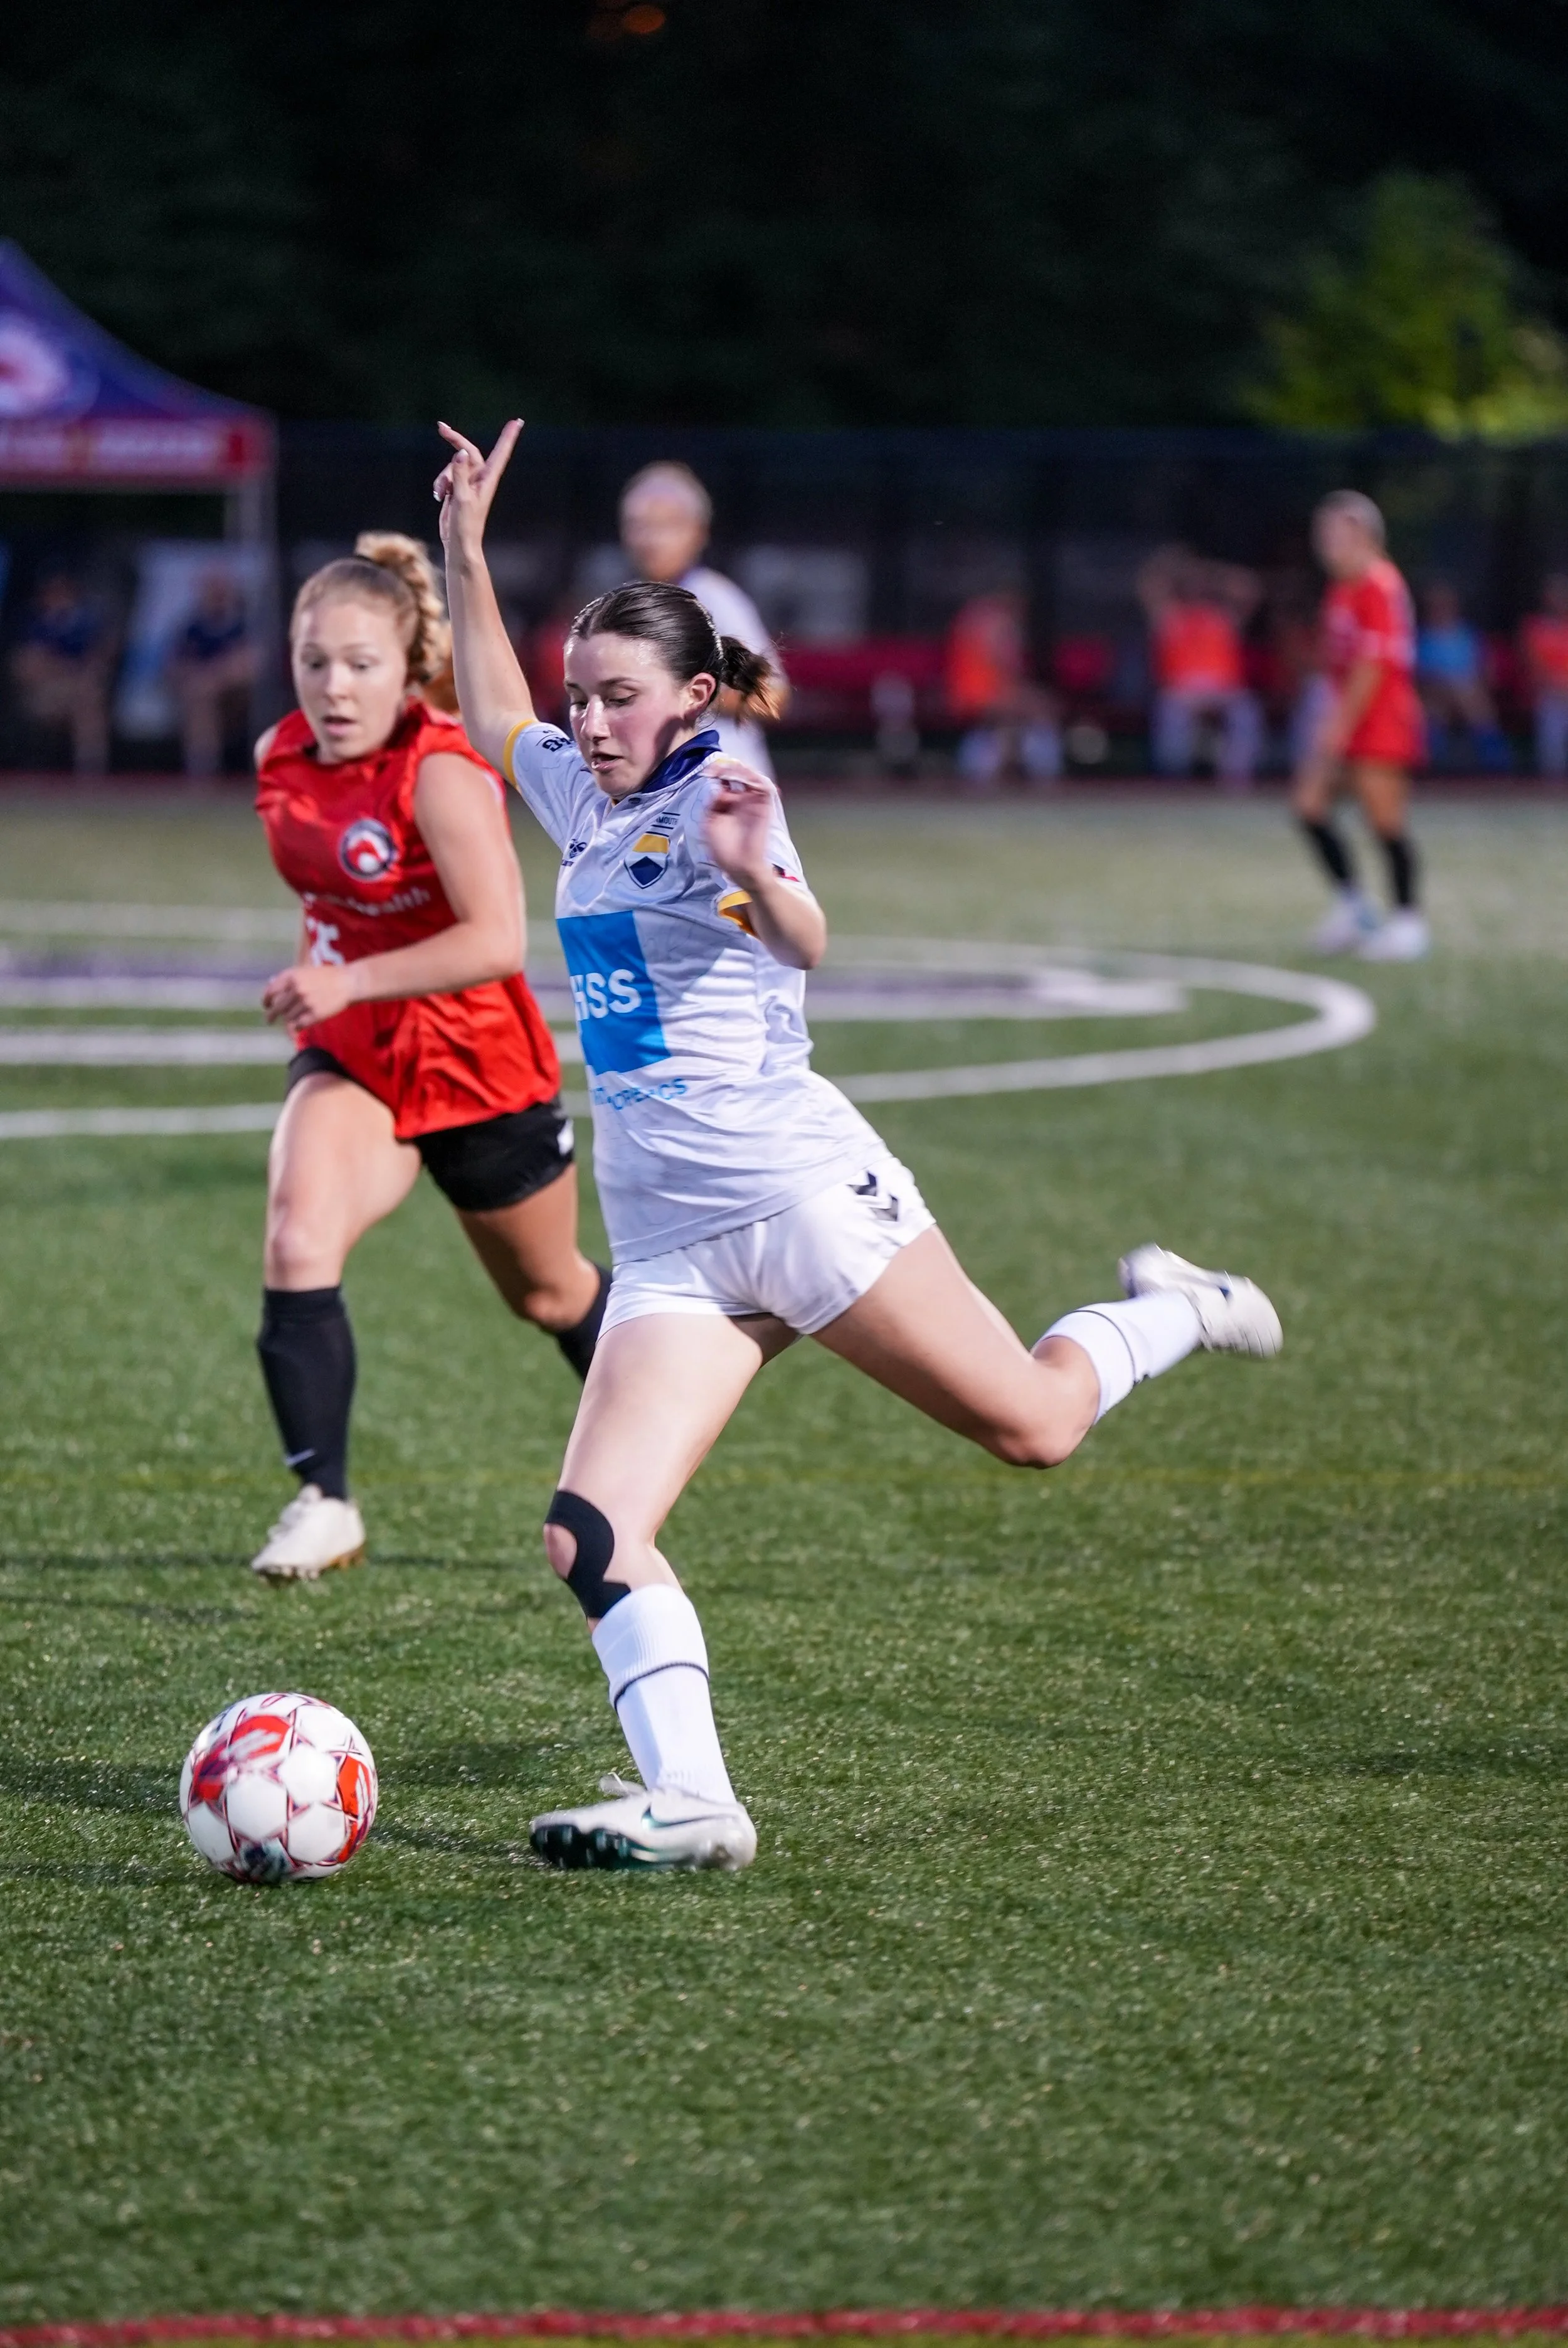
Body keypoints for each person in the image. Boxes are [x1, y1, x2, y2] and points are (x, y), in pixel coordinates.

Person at [437, 420, 1284, 1876]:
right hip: (671, 1246)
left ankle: (1169, 1308)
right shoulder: (590, 791)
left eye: (619, 696)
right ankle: (697, 1799)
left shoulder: (713, 798)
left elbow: (808, 936)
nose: (586, 719)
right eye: (583, 694)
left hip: (797, 1199)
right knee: (590, 1531)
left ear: (694, 695)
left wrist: (766, 874)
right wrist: (462, 549)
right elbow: (494, 702)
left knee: (1033, 1425)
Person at [249, 531, 608, 1581]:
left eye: (360, 663)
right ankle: (324, 1501)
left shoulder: (440, 767)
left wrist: (349, 975)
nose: (334, 685)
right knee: (296, 1238)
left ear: (408, 669)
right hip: (357, 1053)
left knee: (549, 1295)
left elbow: (497, 940)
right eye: (314, 660)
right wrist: (342, 987)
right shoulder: (281, 759)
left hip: (478, 1061)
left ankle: (663, 1395)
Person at [1293, 492, 1429, 962]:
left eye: (1339, 533)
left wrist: (1338, 725)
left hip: (1380, 722)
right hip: (1350, 720)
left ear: (1367, 536)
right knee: (1309, 806)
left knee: (1386, 823)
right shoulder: (1342, 590)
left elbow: (1373, 664)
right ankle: (1354, 908)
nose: (1329, 543)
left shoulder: (1379, 585)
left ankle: (1409, 923)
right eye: (1324, 533)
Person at [618, 460, 788, 776]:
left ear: (698, 533)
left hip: (724, 783)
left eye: (665, 526)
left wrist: (683, 696)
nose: (649, 539)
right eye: (637, 525)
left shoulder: (715, 600)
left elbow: (772, 696)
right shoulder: (624, 602)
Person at [1136, 545, 1263, 790]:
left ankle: (1236, 779)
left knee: (1246, 712)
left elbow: (1251, 589)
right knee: (1170, 711)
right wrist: (1180, 569)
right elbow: (1147, 585)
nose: (1196, 587)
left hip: (1222, 690)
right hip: (1182, 691)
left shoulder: (1223, 616)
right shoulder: (1171, 616)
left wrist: (1211, 572)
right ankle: (1174, 778)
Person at [944, 588, 1061, 788]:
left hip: (969, 696)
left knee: (1026, 710)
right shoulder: (999, 622)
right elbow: (1007, 668)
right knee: (1045, 708)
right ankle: (1037, 772)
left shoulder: (972, 616)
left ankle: (1011, 762)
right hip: (984, 697)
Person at [9, 571, 113, 773]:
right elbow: (28, 666)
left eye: (61, 593)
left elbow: (97, 664)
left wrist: (62, 669)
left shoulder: (88, 625)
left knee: (89, 703)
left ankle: (91, 773)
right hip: (48, 693)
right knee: (62, 698)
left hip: (79, 690)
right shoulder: (37, 626)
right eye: (51, 594)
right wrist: (64, 670)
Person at [167, 567, 260, 778]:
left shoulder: (243, 626)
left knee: (206, 689)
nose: (215, 596)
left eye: (220, 590)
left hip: (240, 695)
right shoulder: (191, 628)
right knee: (200, 698)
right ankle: (204, 771)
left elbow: (251, 664)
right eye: (210, 590)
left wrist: (214, 676)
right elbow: (175, 665)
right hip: (200, 695)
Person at [1415, 583, 1510, 772]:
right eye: (1436, 606)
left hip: (1469, 691)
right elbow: (1418, 674)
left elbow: (1484, 671)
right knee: (1437, 707)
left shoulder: (1469, 635)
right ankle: (1431, 767)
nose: (1441, 610)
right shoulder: (1421, 638)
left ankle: (1498, 767)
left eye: (1445, 605)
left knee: (1475, 701)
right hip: (1434, 693)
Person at [1520, 574, 1568, 781]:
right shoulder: (1535, 628)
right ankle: (1552, 781)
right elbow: (1535, 669)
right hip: (1549, 695)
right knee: (1553, 715)